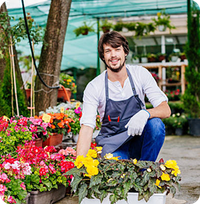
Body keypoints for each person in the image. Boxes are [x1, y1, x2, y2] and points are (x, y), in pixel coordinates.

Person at [77, 31, 171, 161]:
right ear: (103, 56)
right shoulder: (95, 87)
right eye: (108, 51)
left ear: (125, 52)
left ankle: (146, 173)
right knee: (118, 173)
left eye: (117, 49)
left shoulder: (140, 74)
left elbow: (165, 110)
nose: (113, 55)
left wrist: (145, 113)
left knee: (155, 125)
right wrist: (79, 165)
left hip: (138, 140)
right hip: (113, 146)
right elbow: (87, 126)